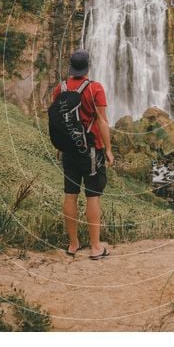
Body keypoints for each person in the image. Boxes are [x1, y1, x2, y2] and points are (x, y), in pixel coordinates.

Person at [51, 49, 114, 260]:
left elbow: (59, 123)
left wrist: (60, 147)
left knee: (70, 194)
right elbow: (102, 122)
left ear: (71, 67)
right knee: (93, 196)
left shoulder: (59, 89)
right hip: (91, 150)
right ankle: (96, 247)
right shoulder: (95, 88)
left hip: (68, 150)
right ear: (88, 67)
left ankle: (73, 244)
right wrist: (109, 149)